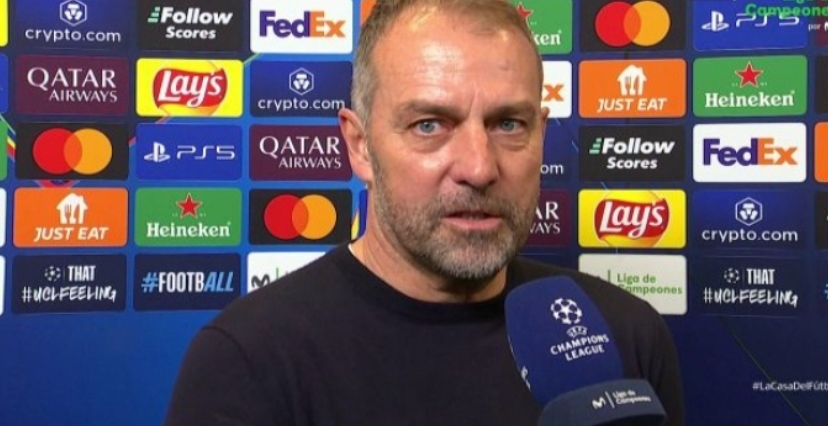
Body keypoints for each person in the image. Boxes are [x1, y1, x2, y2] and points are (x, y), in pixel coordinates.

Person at [164, 0, 685, 425]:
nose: (479, 167)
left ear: (541, 136)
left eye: (508, 124)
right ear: (360, 146)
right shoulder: (249, 362)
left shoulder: (625, 335)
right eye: (430, 125)